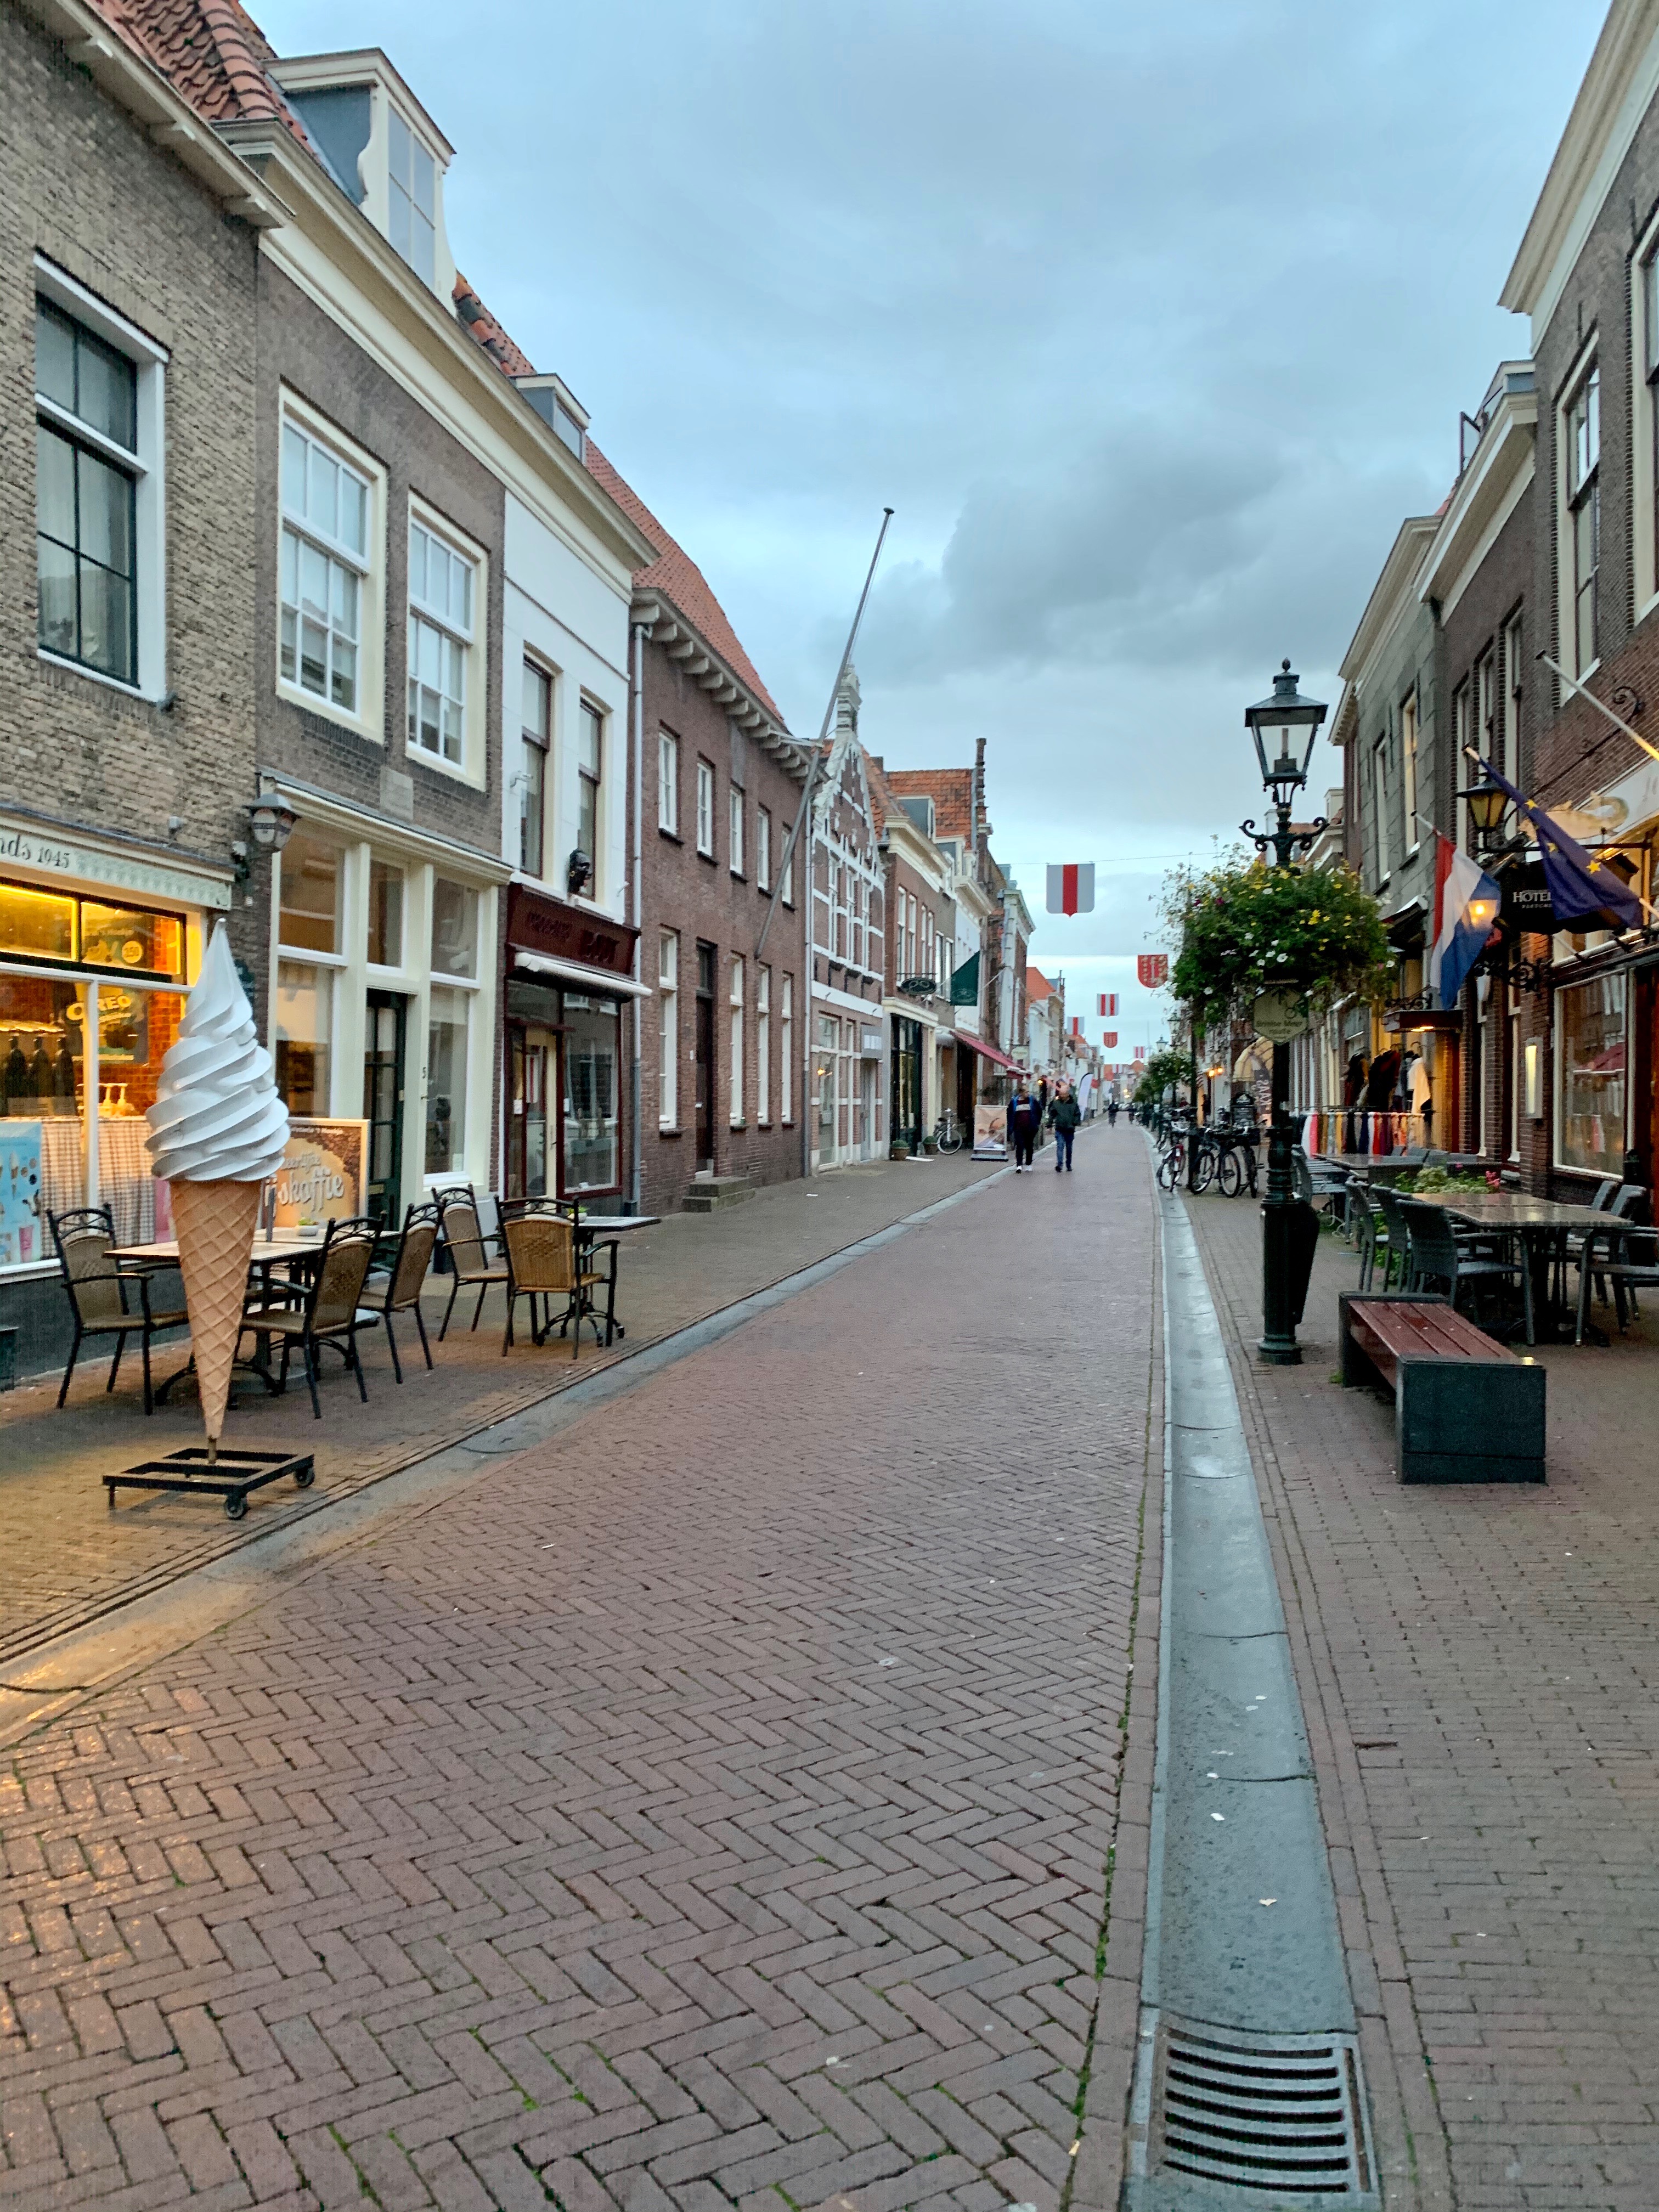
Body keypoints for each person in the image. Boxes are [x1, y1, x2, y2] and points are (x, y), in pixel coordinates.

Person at [1049, 1079, 1081, 1172]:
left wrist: (1075, 1122)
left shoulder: (1073, 1104)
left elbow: (1077, 1114)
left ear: (1067, 1094)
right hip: (1060, 1128)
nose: (1061, 1096)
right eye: (1060, 1094)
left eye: (1063, 1094)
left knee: (1069, 1148)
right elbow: (1052, 1113)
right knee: (1060, 1146)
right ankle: (1059, 1164)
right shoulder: (1056, 1103)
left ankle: (1068, 1164)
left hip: (1070, 1129)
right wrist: (1049, 1124)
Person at [1008, 1082, 1041, 1170]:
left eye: (1028, 1092)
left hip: (1030, 1128)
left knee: (1029, 1146)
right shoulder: (1015, 1102)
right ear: (1021, 1092)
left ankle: (1029, 1163)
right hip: (1018, 1128)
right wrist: (1011, 1126)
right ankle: (1019, 1164)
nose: (1028, 1094)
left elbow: (1039, 1111)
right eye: (1026, 1092)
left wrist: (1037, 1122)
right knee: (1020, 1145)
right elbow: (1010, 1114)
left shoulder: (1033, 1101)